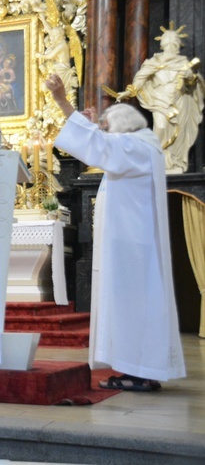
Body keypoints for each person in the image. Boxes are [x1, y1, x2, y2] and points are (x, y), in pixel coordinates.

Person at [45, 73, 185, 391]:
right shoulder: (139, 148)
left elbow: (96, 145)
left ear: (121, 126)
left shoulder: (135, 148)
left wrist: (63, 101)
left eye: (107, 127)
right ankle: (137, 369)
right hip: (133, 243)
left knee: (131, 303)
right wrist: (92, 127)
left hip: (132, 247)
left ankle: (138, 372)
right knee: (133, 303)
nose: (104, 133)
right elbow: (100, 144)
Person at [116, 24, 205, 173]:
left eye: (173, 40)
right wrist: (128, 92)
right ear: (162, 43)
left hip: (180, 100)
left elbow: (193, 83)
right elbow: (140, 78)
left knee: (180, 132)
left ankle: (175, 164)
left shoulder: (183, 62)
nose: (170, 43)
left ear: (177, 43)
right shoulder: (154, 61)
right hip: (160, 100)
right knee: (161, 127)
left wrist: (190, 77)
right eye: (167, 40)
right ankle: (159, 162)